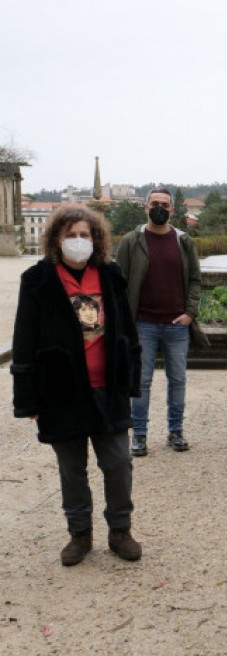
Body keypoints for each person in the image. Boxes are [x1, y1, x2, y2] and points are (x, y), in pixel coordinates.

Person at [11, 204, 143, 566]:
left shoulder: (111, 275)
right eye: (71, 235)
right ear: (56, 239)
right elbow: (24, 340)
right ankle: (79, 533)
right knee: (72, 468)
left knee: (118, 462)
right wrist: (28, 397)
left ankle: (120, 529)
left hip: (108, 387)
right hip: (61, 391)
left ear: (96, 238)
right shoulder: (37, 280)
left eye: (85, 235)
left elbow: (128, 333)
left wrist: (131, 379)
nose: (78, 241)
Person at [116, 187, 207, 457]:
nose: (160, 208)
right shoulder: (132, 241)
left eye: (165, 204)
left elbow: (195, 280)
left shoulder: (183, 241)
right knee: (141, 382)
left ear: (172, 210)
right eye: (155, 203)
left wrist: (190, 312)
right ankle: (140, 435)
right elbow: (118, 282)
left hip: (177, 324)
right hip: (142, 322)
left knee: (177, 380)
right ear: (145, 207)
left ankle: (176, 431)